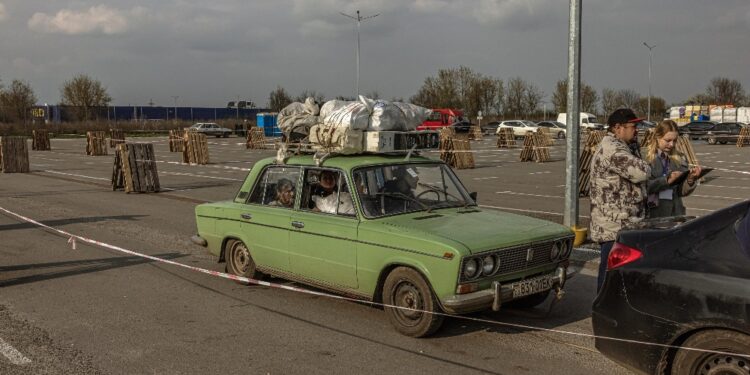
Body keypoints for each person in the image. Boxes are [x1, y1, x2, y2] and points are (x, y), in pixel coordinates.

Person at [589, 108, 651, 291]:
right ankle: (603, 313)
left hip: (622, 222)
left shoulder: (623, 147)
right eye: (633, 126)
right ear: (617, 128)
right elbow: (641, 172)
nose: (637, 130)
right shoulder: (613, 149)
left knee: (621, 276)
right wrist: (645, 163)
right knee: (611, 278)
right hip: (613, 227)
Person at [643, 120, 702, 218]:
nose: (672, 144)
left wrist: (690, 180)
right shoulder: (644, 158)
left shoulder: (680, 158)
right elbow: (642, 188)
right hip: (653, 215)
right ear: (657, 137)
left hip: (675, 214)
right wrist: (666, 181)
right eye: (668, 140)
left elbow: (681, 192)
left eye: (674, 140)